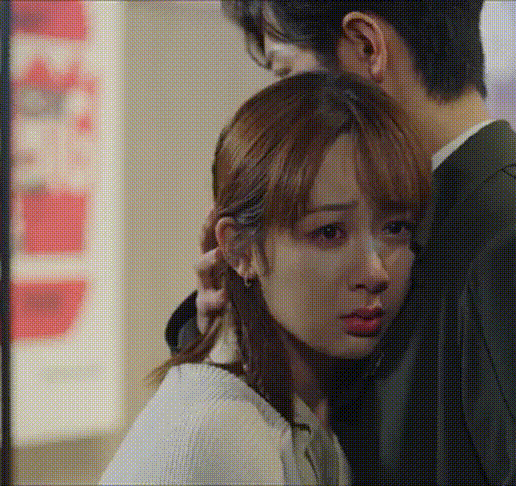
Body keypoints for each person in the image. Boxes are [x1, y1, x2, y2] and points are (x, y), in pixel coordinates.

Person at [166, 1, 516, 484]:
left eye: (287, 73)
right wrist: (232, 324)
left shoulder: (508, 245)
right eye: (330, 233)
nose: (284, 106)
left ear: (366, 47)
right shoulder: (438, 227)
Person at [101, 71, 431, 485]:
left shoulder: (310, 412)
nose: (375, 272)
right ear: (241, 249)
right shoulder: (224, 433)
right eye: (329, 232)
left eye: (395, 228)